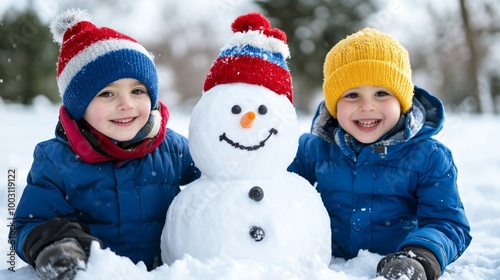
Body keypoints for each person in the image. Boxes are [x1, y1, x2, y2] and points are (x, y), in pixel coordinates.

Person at [10, 9, 200, 280]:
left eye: (137, 91)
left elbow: (224, 170)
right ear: (79, 107)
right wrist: (57, 246)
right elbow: (30, 222)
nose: (126, 104)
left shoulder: (171, 148)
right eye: (107, 93)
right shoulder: (57, 161)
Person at [288, 28, 472, 280]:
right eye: (352, 95)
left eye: (381, 93)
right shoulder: (313, 149)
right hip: (325, 266)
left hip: (400, 259)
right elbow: (275, 189)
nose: (367, 106)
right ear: (333, 106)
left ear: (402, 101)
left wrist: (419, 254)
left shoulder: (429, 157)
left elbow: (447, 223)